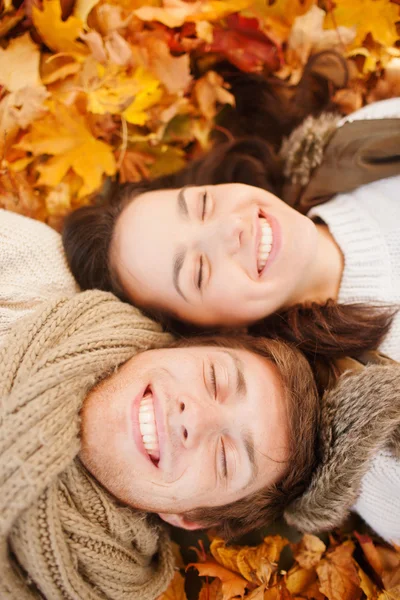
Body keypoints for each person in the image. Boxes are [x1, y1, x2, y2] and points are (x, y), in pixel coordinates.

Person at [63, 97, 400, 362]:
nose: (231, 228)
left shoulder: (359, 140)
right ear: (221, 329)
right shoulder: (376, 396)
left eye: (203, 205)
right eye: (198, 271)